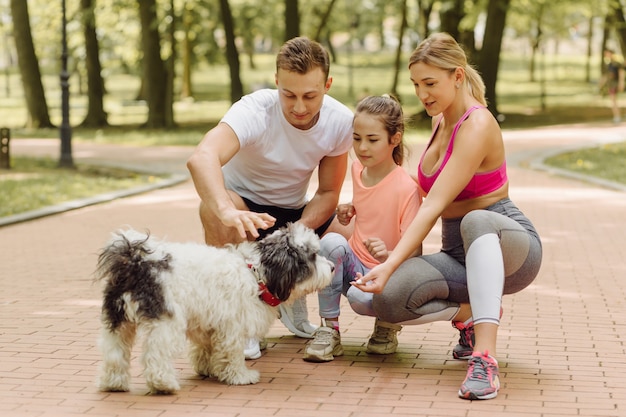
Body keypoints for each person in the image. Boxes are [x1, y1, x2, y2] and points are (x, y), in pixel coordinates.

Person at [351, 32, 542, 400]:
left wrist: (390, 262)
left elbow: (434, 203)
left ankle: (485, 359)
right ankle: (471, 312)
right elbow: (417, 193)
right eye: (416, 84)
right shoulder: (440, 122)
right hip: (458, 255)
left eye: (430, 83)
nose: (422, 94)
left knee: (475, 219)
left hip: (509, 246)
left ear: (457, 76)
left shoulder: (478, 124)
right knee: (386, 301)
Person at [186, 36, 354, 360]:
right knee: (211, 209)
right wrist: (226, 211)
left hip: (296, 210)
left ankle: (288, 294)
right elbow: (202, 157)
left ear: (328, 84)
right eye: (288, 94)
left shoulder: (340, 121)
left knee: (352, 238)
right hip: (245, 206)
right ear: (276, 81)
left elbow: (329, 191)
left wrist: (297, 234)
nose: (299, 107)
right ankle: (237, 323)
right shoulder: (254, 110)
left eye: (310, 95)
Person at [303, 95, 421, 363]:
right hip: (355, 266)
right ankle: (329, 330)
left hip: (387, 274)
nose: (362, 147)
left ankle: (387, 326)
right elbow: (372, 202)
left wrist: (388, 253)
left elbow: (414, 252)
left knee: (360, 298)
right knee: (330, 242)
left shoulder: (407, 188)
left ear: (395, 139)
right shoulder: (358, 169)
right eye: (356, 139)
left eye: (372, 139)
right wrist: (351, 207)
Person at [599, 48, 624, 124]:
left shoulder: (616, 64)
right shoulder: (609, 65)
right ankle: (617, 116)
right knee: (613, 100)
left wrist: (621, 83)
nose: (607, 55)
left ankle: (617, 116)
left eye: (608, 53)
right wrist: (601, 83)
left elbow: (621, 73)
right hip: (611, 84)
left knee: (614, 101)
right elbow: (607, 76)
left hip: (615, 84)